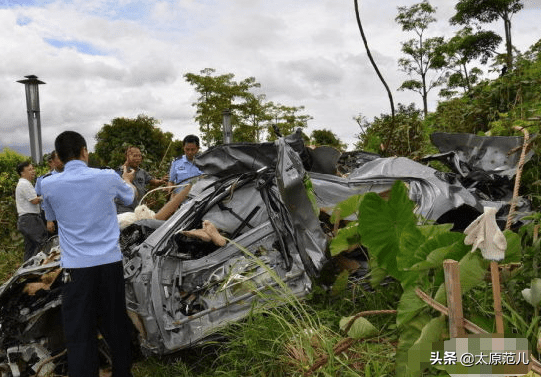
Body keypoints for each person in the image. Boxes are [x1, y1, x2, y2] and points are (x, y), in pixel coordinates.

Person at [41, 131, 136, 377]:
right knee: (115, 322)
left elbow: (51, 218)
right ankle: (122, 372)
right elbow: (130, 196)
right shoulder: (106, 177)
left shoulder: (48, 184)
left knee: (79, 330)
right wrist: (126, 179)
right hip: (109, 264)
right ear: (85, 151)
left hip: (75, 269)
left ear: (59, 158)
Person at [115, 146, 167, 213]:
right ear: (127, 156)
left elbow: (152, 181)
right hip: (123, 210)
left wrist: (160, 181)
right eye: (135, 156)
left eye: (139, 156)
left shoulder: (142, 172)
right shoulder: (119, 172)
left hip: (138, 209)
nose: (138, 158)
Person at [15, 161, 48, 261]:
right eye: (29, 169)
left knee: (30, 248)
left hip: (26, 220)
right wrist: (46, 196)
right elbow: (34, 200)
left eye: (33, 168)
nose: (33, 171)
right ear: (22, 173)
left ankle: (28, 272)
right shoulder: (24, 184)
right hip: (30, 219)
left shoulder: (24, 183)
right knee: (42, 242)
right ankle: (37, 270)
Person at [35, 150, 64, 235]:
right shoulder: (45, 179)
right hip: (53, 216)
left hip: (69, 216)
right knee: (55, 242)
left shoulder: (72, 176)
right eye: (59, 158)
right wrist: (49, 219)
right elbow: (44, 199)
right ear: (53, 161)